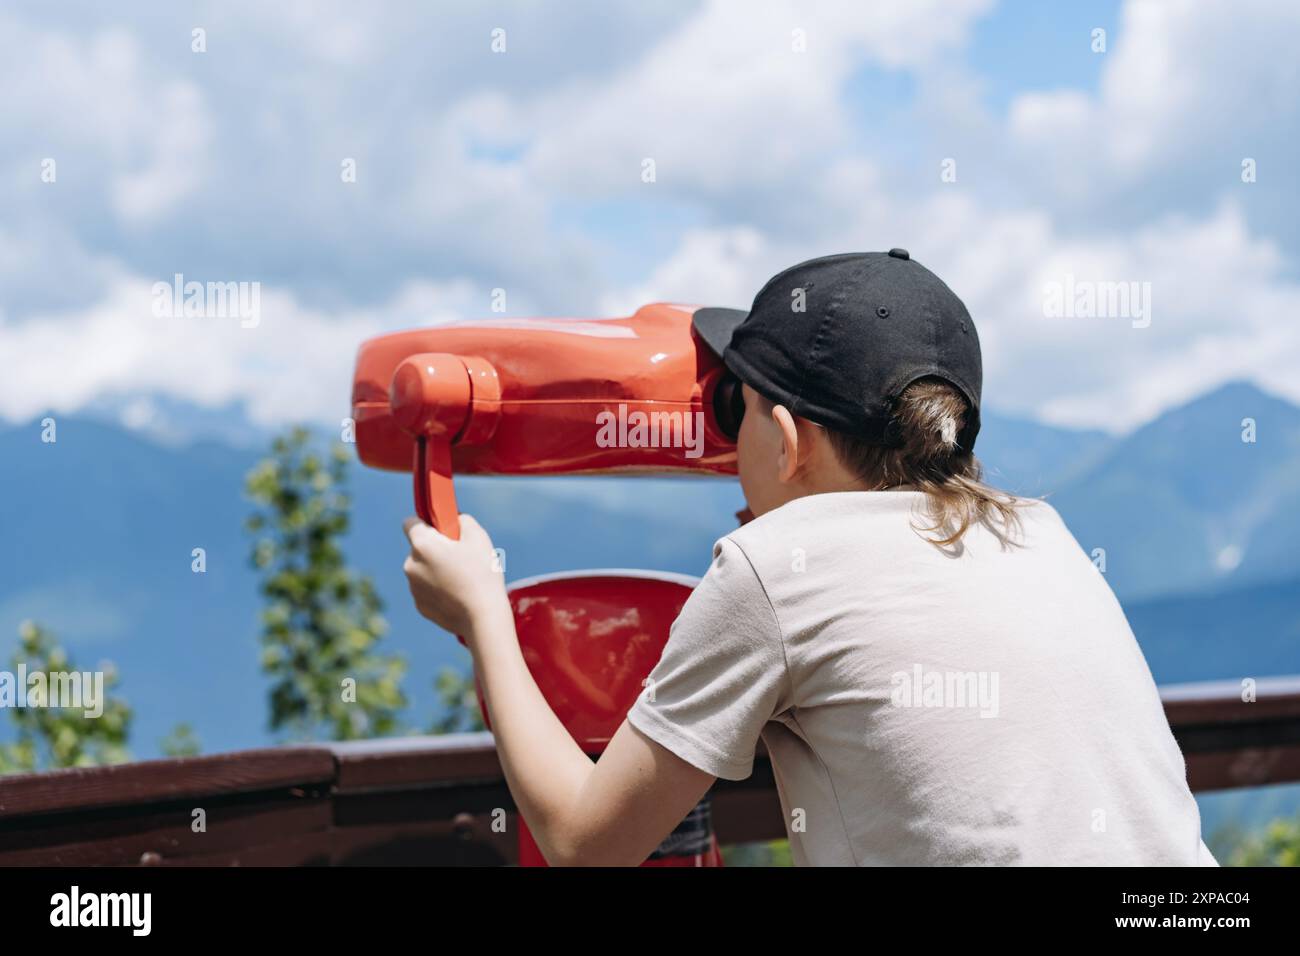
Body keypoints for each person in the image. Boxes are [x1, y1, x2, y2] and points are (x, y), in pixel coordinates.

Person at [402, 250, 1217, 866]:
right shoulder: (1041, 533)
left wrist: (481, 613)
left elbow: (586, 842)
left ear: (786, 440)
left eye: (742, 409)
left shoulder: (777, 567)